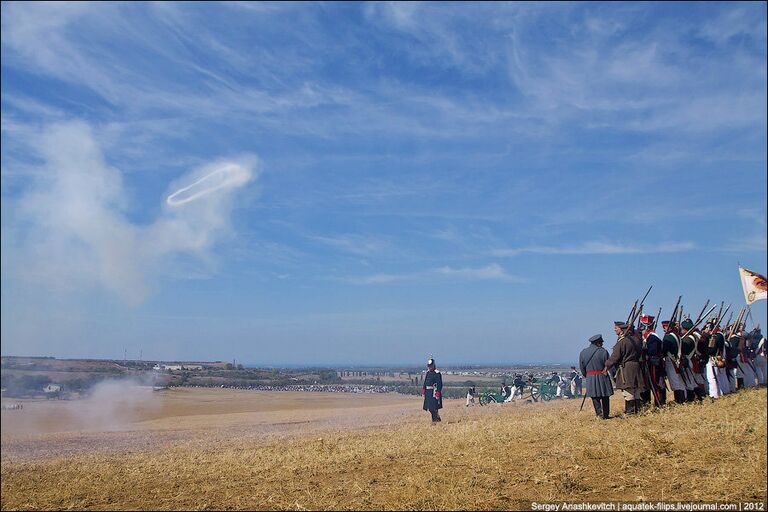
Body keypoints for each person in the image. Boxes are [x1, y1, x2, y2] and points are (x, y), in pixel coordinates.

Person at [605, 321, 647, 415]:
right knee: (636, 391)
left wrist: (607, 365)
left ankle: (630, 412)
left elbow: (615, 357)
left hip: (627, 368)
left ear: (623, 330)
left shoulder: (622, 342)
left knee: (628, 391)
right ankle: (637, 411)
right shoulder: (637, 340)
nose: (615, 329)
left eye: (617, 328)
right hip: (637, 367)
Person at [580, 334, 613, 419]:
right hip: (602, 375)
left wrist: (587, 376)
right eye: (601, 342)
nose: (602, 344)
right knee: (605, 396)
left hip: (590, 377)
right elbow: (609, 365)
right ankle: (606, 415)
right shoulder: (603, 352)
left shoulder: (583, 352)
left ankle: (599, 415)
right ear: (598, 343)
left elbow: (582, 368)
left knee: (595, 397)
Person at [639, 314, 666, 407]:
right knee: (647, 385)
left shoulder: (652, 337)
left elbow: (652, 351)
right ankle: (648, 403)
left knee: (656, 384)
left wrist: (643, 350)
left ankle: (660, 404)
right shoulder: (647, 338)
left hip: (653, 364)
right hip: (649, 364)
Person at [662, 319, 688, 404]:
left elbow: (664, 350)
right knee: (679, 381)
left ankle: (679, 400)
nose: (664, 328)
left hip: (671, 360)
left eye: (664, 326)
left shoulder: (668, 337)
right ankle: (683, 398)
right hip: (678, 360)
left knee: (674, 381)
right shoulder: (677, 336)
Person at [704, 319, 731, 398]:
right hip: (719, 358)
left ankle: (714, 395)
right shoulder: (720, 335)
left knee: (712, 377)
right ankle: (725, 391)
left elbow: (711, 350)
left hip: (713, 359)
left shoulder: (715, 336)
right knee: (721, 376)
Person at [679, 319, 704, 401]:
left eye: (682, 329)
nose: (681, 330)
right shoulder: (692, 337)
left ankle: (691, 399)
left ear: (685, 329)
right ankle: (699, 397)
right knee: (691, 381)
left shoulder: (688, 339)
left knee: (689, 381)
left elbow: (683, 351)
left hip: (688, 361)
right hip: (690, 360)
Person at [422, 358, 443, 422]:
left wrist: (438, 392)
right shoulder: (428, 373)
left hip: (434, 392)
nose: (429, 367)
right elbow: (425, 382)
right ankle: (437, 418)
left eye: (431, 365)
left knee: (433, 408)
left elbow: (439, 384)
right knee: (430, 408)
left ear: (433, 365)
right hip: (428, 393)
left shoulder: (437, 373)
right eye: (429, 366)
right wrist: (423, 390)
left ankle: (434, 422)